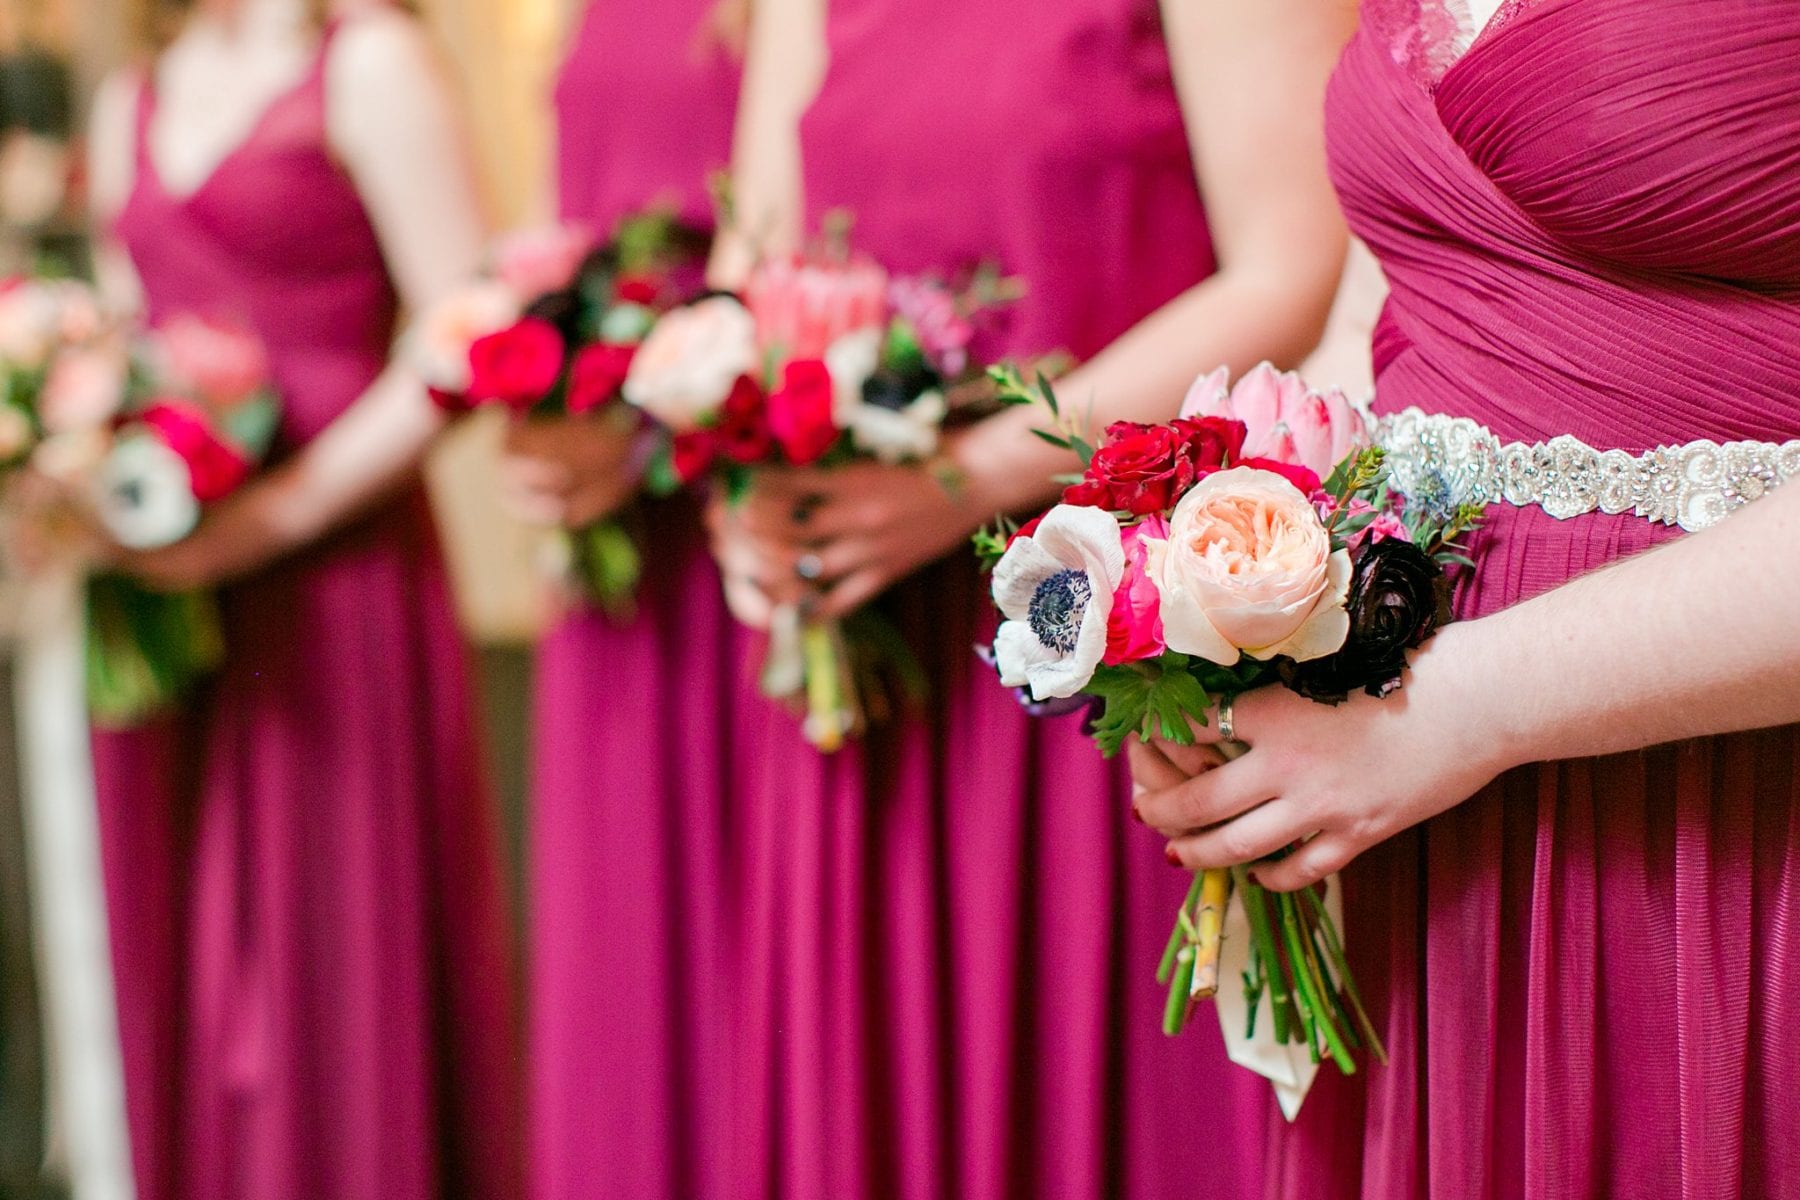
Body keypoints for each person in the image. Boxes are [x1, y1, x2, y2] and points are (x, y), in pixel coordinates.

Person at [1130, 0, 1800, 1194]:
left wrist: (1460, 709)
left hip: (1722, 818)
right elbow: (1383, 319)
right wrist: (1200, 601)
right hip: (1426, 826)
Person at [710, 0, 1356, 1194]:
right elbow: (753, 261)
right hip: (871, 623)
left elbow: (1297, 265)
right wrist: (744, 470)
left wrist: (974, 476)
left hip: (1111, 618)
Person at [82, 1, 519, 1196]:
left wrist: (276, 518)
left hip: (338, 590)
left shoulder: (367, 59)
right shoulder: (140, 86)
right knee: (178, 965)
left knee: (338, 964)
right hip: (163, 589)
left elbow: (464, 330)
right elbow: (125, 341)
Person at [493, 3, 744, 1197]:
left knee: (734, 944)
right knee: (622, 953)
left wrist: (655, 420)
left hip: (730, 506)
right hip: (616, 556)